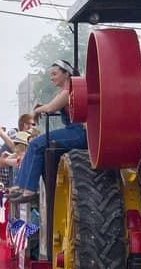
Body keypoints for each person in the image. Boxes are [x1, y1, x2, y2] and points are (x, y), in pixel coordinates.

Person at [8, 60, 87, 201]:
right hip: (73, 130)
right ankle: (21, 186)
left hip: (78, 132)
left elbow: (50, 108)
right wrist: (42, 107)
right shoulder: (64, 92)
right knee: (35, 144)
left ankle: (29, 189)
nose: (52, 78)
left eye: (55, 74)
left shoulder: (68, 91)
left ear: (66, 74)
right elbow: (51, 105)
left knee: (36, 144)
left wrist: (37, 110)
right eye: (51, 75)